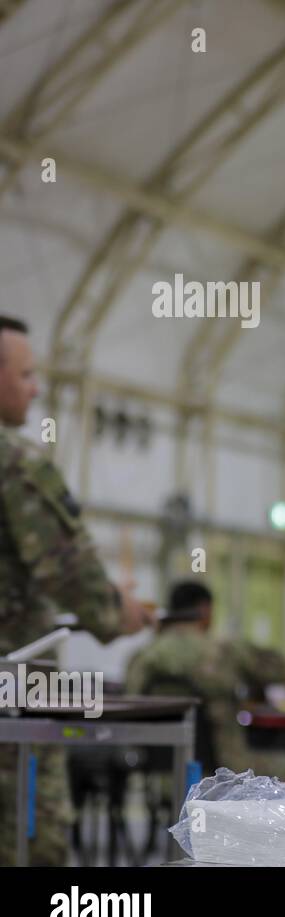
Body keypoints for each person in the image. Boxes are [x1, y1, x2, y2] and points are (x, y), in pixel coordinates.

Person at [0, 315, 153, 865]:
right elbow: (73, 579)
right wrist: (120, 611)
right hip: (12, 703)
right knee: (30, 840)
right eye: (26, 374)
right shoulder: (16, 466)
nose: (36, 388)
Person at [125, 580, 285, 783]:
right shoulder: (225, 650)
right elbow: (282, 671)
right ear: (204, 609)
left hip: (160, 774)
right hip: (226, 768)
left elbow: (132, 711)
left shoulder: (141, 657)